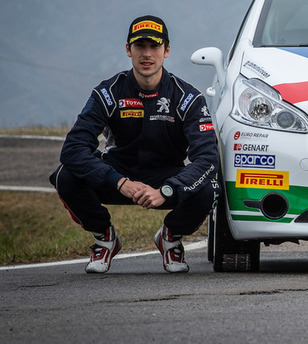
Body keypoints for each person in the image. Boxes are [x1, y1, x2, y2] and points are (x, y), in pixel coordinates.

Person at [50, 15, 219, 274]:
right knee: (66, 175)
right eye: (140, 46)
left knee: (208, 186)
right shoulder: (107, 93)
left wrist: (167, 190)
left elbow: (207, 158)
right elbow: (73, 149)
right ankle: (105, 238)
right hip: (118, 175)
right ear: (128, 50)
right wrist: (120, 182)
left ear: (167, 50)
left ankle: (170, 237)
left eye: (155, 46)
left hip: (166, 178)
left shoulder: (188, 98)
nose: (147, 54)